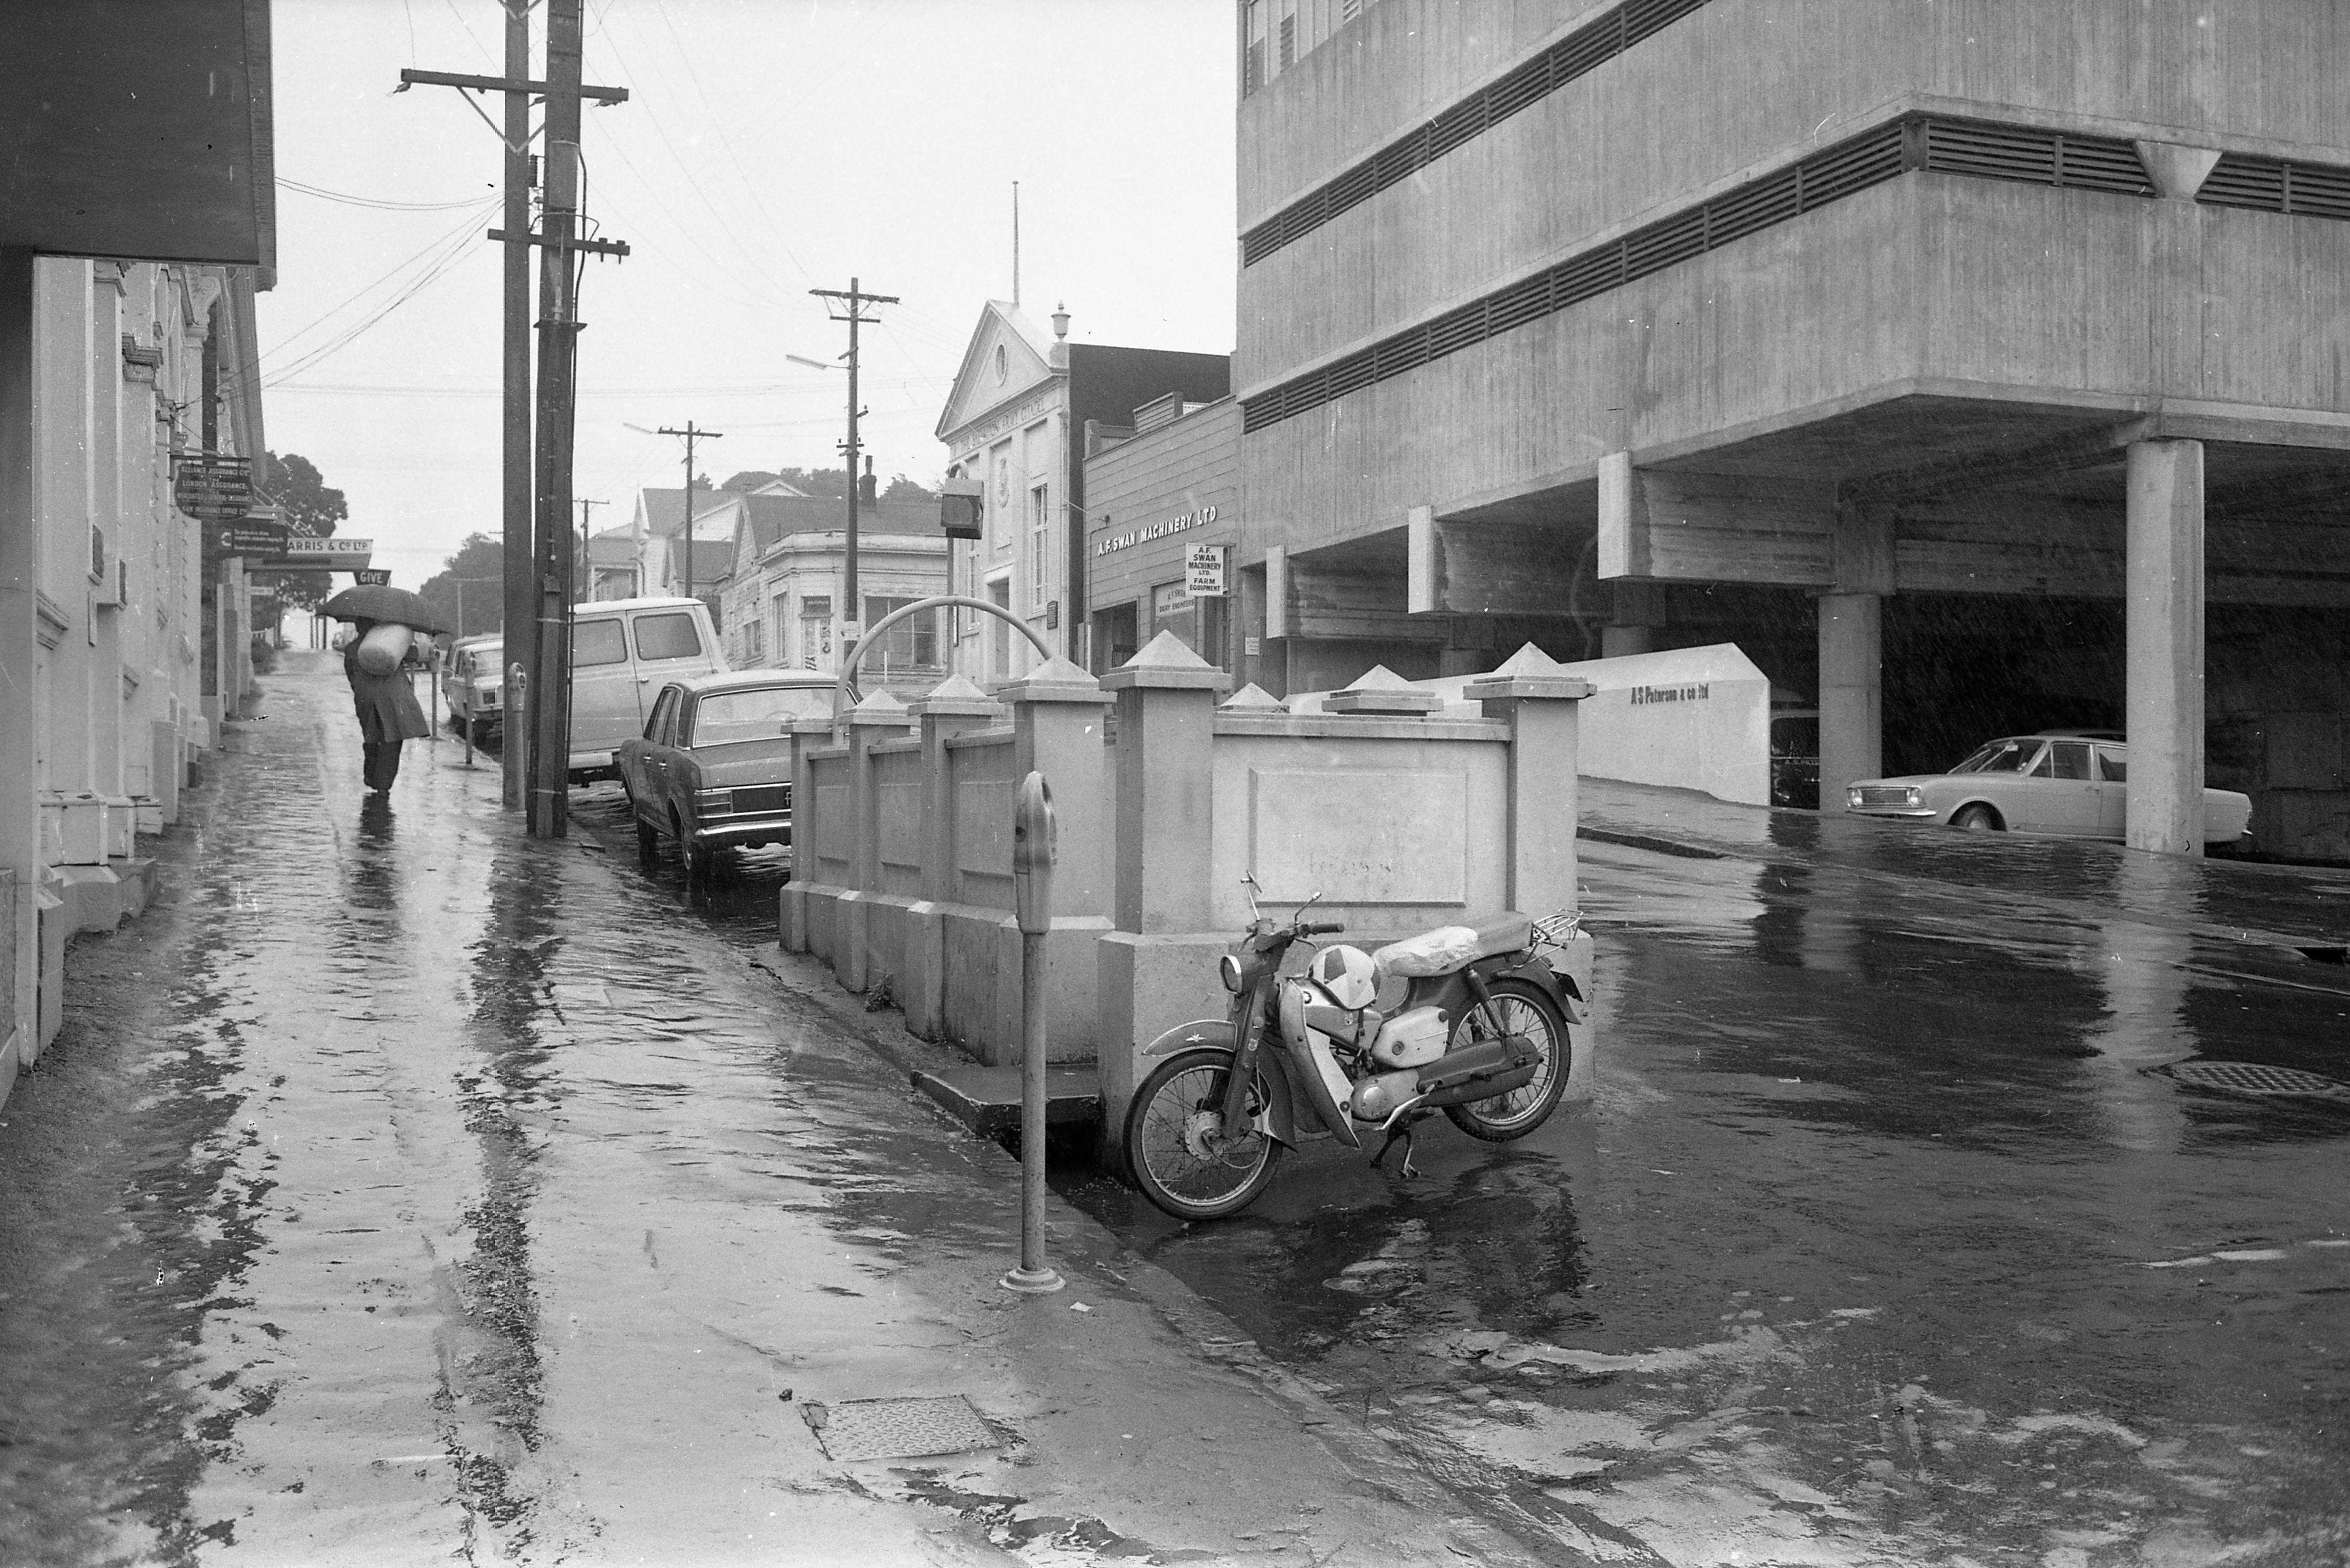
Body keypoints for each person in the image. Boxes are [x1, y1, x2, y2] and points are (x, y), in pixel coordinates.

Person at [342, 617, 431, 792]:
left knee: (371, 736)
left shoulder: (352, 649)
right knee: (392, 739)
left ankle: (371, 775)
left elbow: (351, 675)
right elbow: (413, 656)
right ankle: (383, 785)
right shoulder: (389, 645)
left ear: (358, 626)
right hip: (393, 698)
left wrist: (361, 690)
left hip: (365, 698)